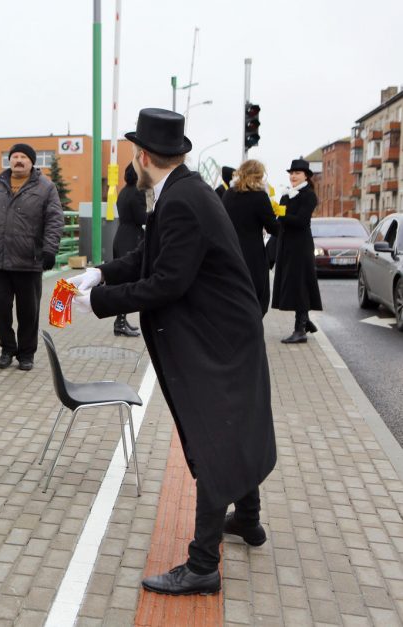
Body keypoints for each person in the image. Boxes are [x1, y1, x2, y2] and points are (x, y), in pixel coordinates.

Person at [70, 108, 276, 596]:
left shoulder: (180, 199)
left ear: (143, 156)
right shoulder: (182, 191)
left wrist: (96, 303)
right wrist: (101, 272)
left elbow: (168, 281)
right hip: (228, 332)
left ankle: (203, 565)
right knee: (234, 426)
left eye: (133, 153)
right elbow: (149, 256)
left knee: (213, 439)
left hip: (216, 338)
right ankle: (248, 520)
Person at [0, 143, 64, 371]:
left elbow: (55, 220)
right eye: (15, 156)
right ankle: (7, 347)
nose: (19, 160)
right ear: (9, 160)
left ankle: (26, 353)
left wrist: (50, 249)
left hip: (29, 260)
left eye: (24, 157)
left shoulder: (46, 187)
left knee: (28, 312)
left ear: (32, 162)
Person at [271, 158, 322, 343]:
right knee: (291, 285)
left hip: (301, 247)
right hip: (287, 246)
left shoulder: (308, 195)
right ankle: (305, 321)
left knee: (300, 285)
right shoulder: (286, 194)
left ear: (306, 176)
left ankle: (300, 329)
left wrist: (282, 214)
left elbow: (301, 221)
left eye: (297, 173)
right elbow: (279, 222)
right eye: (291, 173)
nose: (293, 176)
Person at [222, 159, 279, 315]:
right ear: (258, 176)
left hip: (230, 252)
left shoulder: (228, 195)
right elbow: (273, 228)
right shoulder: (259, 197)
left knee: (234, 294)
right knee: (257, 297)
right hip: (253, 254)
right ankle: (251, 331)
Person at [111, 163, 146, 337]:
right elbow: (141, 217)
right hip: (133, 237)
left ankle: (121, 321)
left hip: (120, 236)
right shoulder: (138, 192)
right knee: (127, 282)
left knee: (122, 280)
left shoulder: (123, 191)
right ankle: (120, 323)